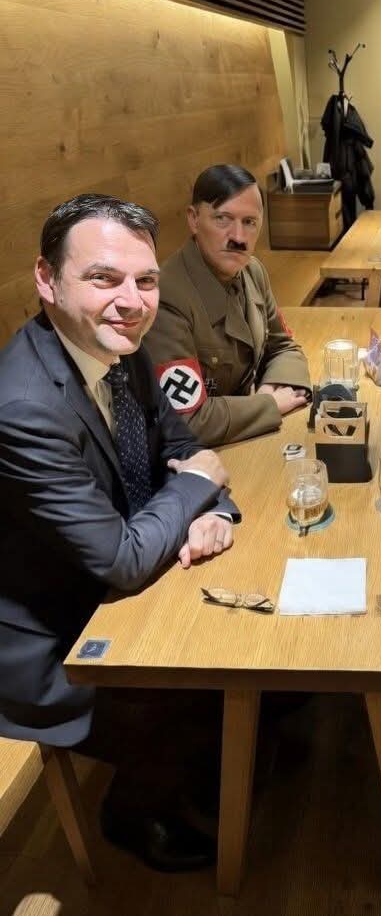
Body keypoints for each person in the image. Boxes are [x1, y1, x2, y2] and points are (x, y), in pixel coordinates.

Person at [0, 194, 241, 872]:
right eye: (104, 278)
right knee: (198, 691)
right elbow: (123, 558)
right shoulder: (23, 408)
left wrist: (216, 510)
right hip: (49, 638)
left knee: (253, 656)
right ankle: (135, 813)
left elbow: (184, 446)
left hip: (113, 581)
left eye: (146, 280)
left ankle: (210, 764)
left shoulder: (117, 346)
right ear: (47, 279)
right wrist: (197, 488)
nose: (132, 302)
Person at [144, 164, 311, 447]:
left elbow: (283, 346)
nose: (239, 237)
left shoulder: (253, 271)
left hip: (243, 434)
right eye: (222, 219)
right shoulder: (167, 298)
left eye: (250, 222)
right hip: (193, 456)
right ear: (194, 219)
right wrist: (267, 405)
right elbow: (187, 421)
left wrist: (269, 391)